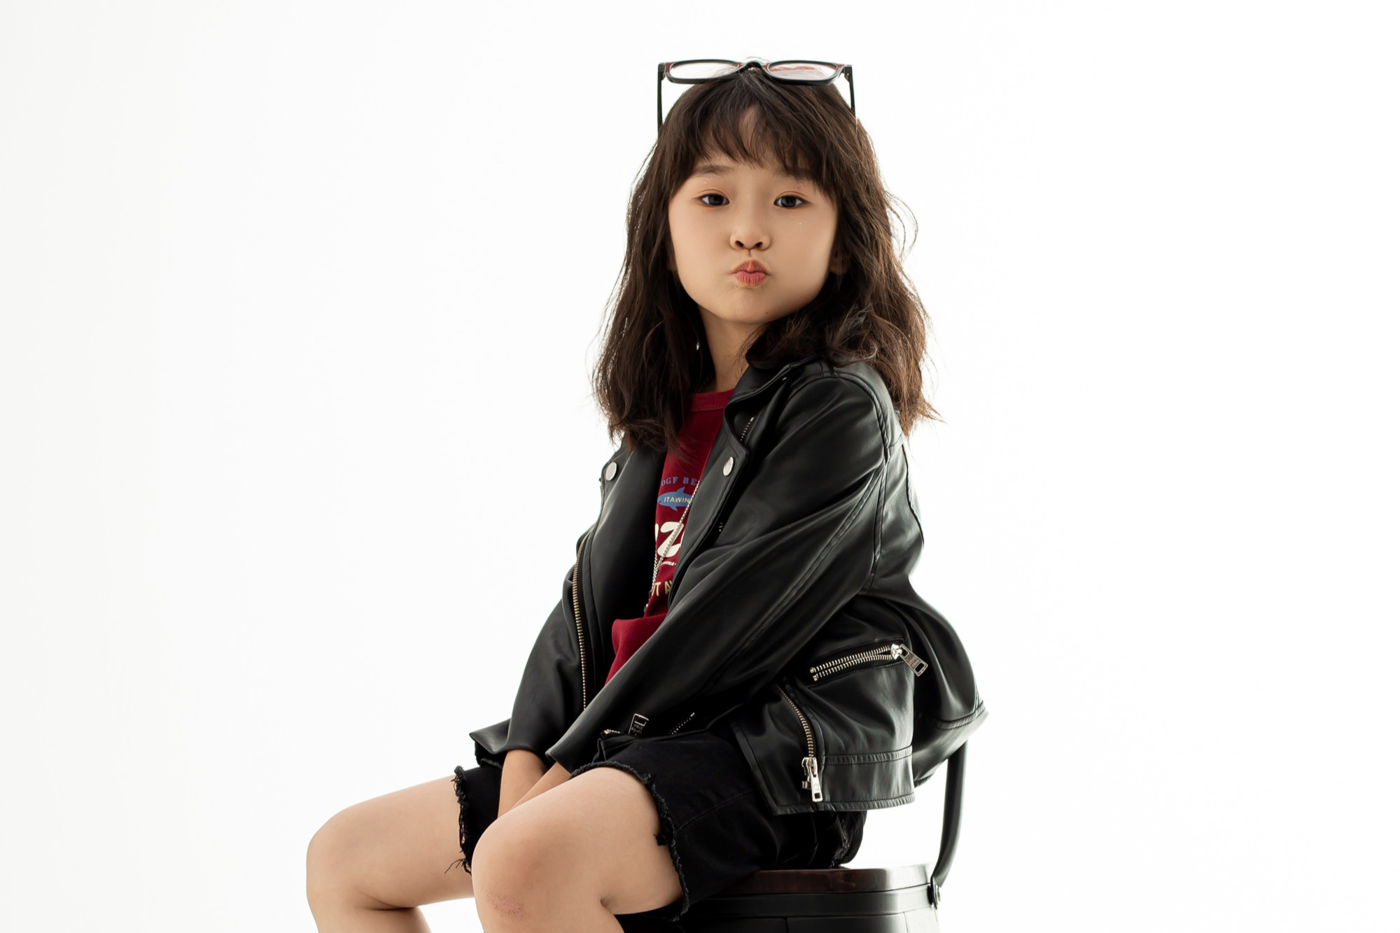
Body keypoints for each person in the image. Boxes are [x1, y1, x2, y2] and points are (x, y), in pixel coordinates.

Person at [306, 58, 987, 933]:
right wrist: (530, 751)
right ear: (664, 229)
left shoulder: (838, 406)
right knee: (348, 860)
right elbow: (584, 607)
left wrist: (564, 768)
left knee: (524, 861)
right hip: (636, 741)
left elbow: (722, 622)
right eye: (714, 198)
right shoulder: (666, 414)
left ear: (845, 239)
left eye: (789, 200)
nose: (749, 230)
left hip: (771, 754)